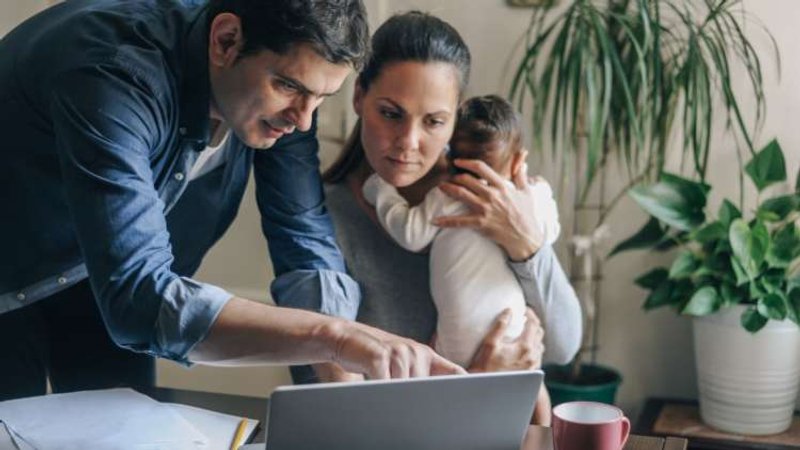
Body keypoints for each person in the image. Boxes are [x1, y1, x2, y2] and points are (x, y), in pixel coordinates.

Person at [0, 0, 465, 402]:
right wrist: (337, 338)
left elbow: (301, 236)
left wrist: (342, 399)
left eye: (321, 98)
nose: (303, 121)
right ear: (225, 41)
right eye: (289, 87)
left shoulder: (286, 94)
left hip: (101, 286)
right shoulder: (113, 71)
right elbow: (139, 297)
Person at [321, 11, 583, 424]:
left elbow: (565, 347)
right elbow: (338, 414)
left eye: (434, 122)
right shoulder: (320, 222)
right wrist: (475, 382)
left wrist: (526, 244)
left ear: (455, 119)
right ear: (359, 97)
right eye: (391, 113)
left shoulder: (492, 199)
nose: (409, 143)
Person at [361, 94, 561, 367]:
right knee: (533, 384)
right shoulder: (527, 202)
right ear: (518, 163)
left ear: (448, 155)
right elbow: (549, 234)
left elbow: (410, 233)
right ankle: (542, 411)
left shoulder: (447, 196)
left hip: (455, 344)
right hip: (513, 329)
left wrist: (381, 191)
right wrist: (542, 193)